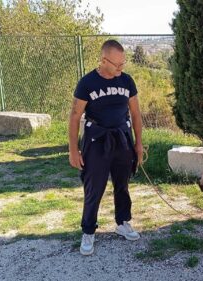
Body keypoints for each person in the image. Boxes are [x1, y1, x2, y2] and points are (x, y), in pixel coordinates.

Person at [68, 39, 143, 256]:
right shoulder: (87, 83)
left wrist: (138, 143)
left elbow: (136, 114)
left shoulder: (127, 81)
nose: (121, 68)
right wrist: (73, 149)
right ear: (103, 60)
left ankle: (122, 222)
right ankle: (89, 231)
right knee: (94, 188)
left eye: (123, 63)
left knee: (122, 185)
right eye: (117, 64)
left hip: (122, 139)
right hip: (96, 141)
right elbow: (75, 116)